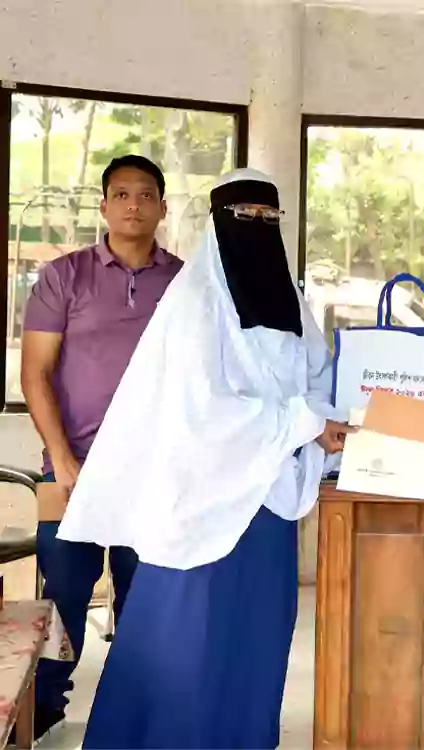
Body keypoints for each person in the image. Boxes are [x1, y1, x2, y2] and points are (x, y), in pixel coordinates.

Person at [55, 168, 352, 749]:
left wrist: (325, 418)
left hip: (268, 506)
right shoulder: (196, 299)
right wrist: (305, 423)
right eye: (244, 215)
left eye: (268, 216)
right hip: (202, 506)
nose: (257, 226)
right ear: (219, 222)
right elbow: (203, 407)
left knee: (256, 640)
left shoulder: (290, 302)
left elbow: (319, 379)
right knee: (186, 645)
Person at [18, 155, 182, 740]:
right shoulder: (64, 276)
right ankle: (42, 713)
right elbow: (35, 373)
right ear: (105, 205)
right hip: (72, 471)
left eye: (146, 194)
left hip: (155, 475)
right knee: (62, 600)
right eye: (122, 194)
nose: (134, 205)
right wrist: (62, 459)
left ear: (162, 207)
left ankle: (133, 717)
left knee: (147, 605)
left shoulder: (186, 283)